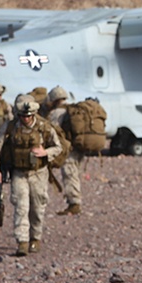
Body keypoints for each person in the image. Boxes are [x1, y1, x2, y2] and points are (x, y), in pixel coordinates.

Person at [0, 94, 62, 256]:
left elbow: (58, 147)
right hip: (19, 173)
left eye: (28, 116)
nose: (26, 119)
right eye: (22, 116)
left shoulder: (44, 127)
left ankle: (35, 238)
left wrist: (45, 152)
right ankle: (22, 241)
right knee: (21, 207)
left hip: (38, 174)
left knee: (37, 208)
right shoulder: (10, 127)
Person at [46, 85, 83, 215]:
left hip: (68, 150)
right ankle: (75, 201)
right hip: (78, 148)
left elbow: (51, 131)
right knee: (75, 174)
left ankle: (74, 204)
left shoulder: (55, 113)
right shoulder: (72, 110)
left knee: (69, 175)